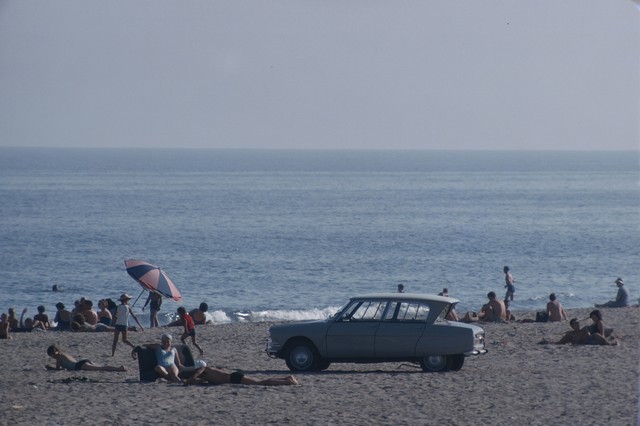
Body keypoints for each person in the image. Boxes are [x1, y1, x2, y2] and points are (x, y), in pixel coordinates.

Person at [184, 366, 299, 386]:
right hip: (234, 378)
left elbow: (197, 373)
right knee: (261, 381)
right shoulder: (207, 376)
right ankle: (286, 379)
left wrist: (191, 378)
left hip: (234, 377)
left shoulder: (206, 369)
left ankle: (287, 381)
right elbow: (199, 381)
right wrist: (189, 382)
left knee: (261, 382)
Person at [46, 344, 126, 372]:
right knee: (101, 367)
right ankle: (118, 368)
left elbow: (57, 369)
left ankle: (119, 369)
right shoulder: (63, 353)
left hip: (79, 365)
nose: (53, 357)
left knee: (101, 368)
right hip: (81, 362)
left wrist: (49, 368)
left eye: (52, 355)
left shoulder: (59, 356)